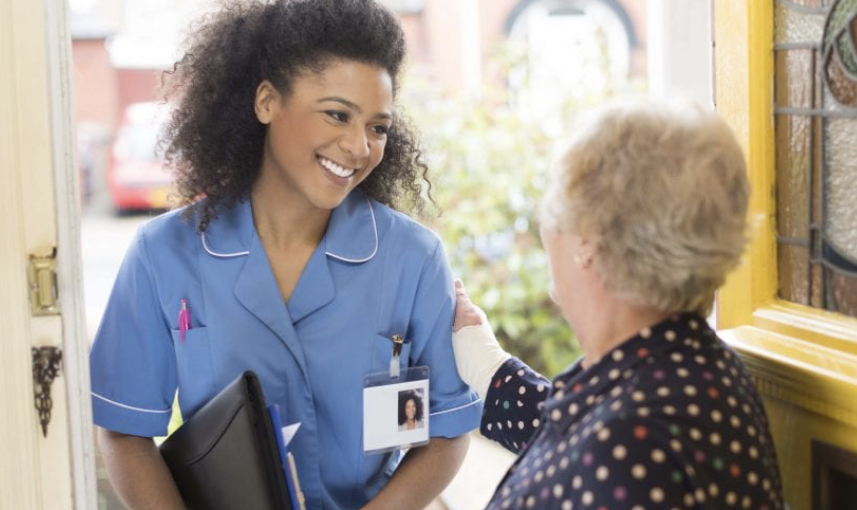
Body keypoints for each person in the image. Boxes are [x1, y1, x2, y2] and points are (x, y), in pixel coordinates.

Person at [88, 1, 481, 509]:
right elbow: (125, 431)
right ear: (267, 102)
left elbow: (448, 428)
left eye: (377, 127)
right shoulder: (163, 255)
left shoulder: (414, 259)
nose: (359, 146)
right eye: (337, 114)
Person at [452, 99, 785, 509]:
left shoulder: (632, 444)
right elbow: (576, 436)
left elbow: (607, 449)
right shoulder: (689, 363)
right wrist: (489, 371)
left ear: (587, 239)